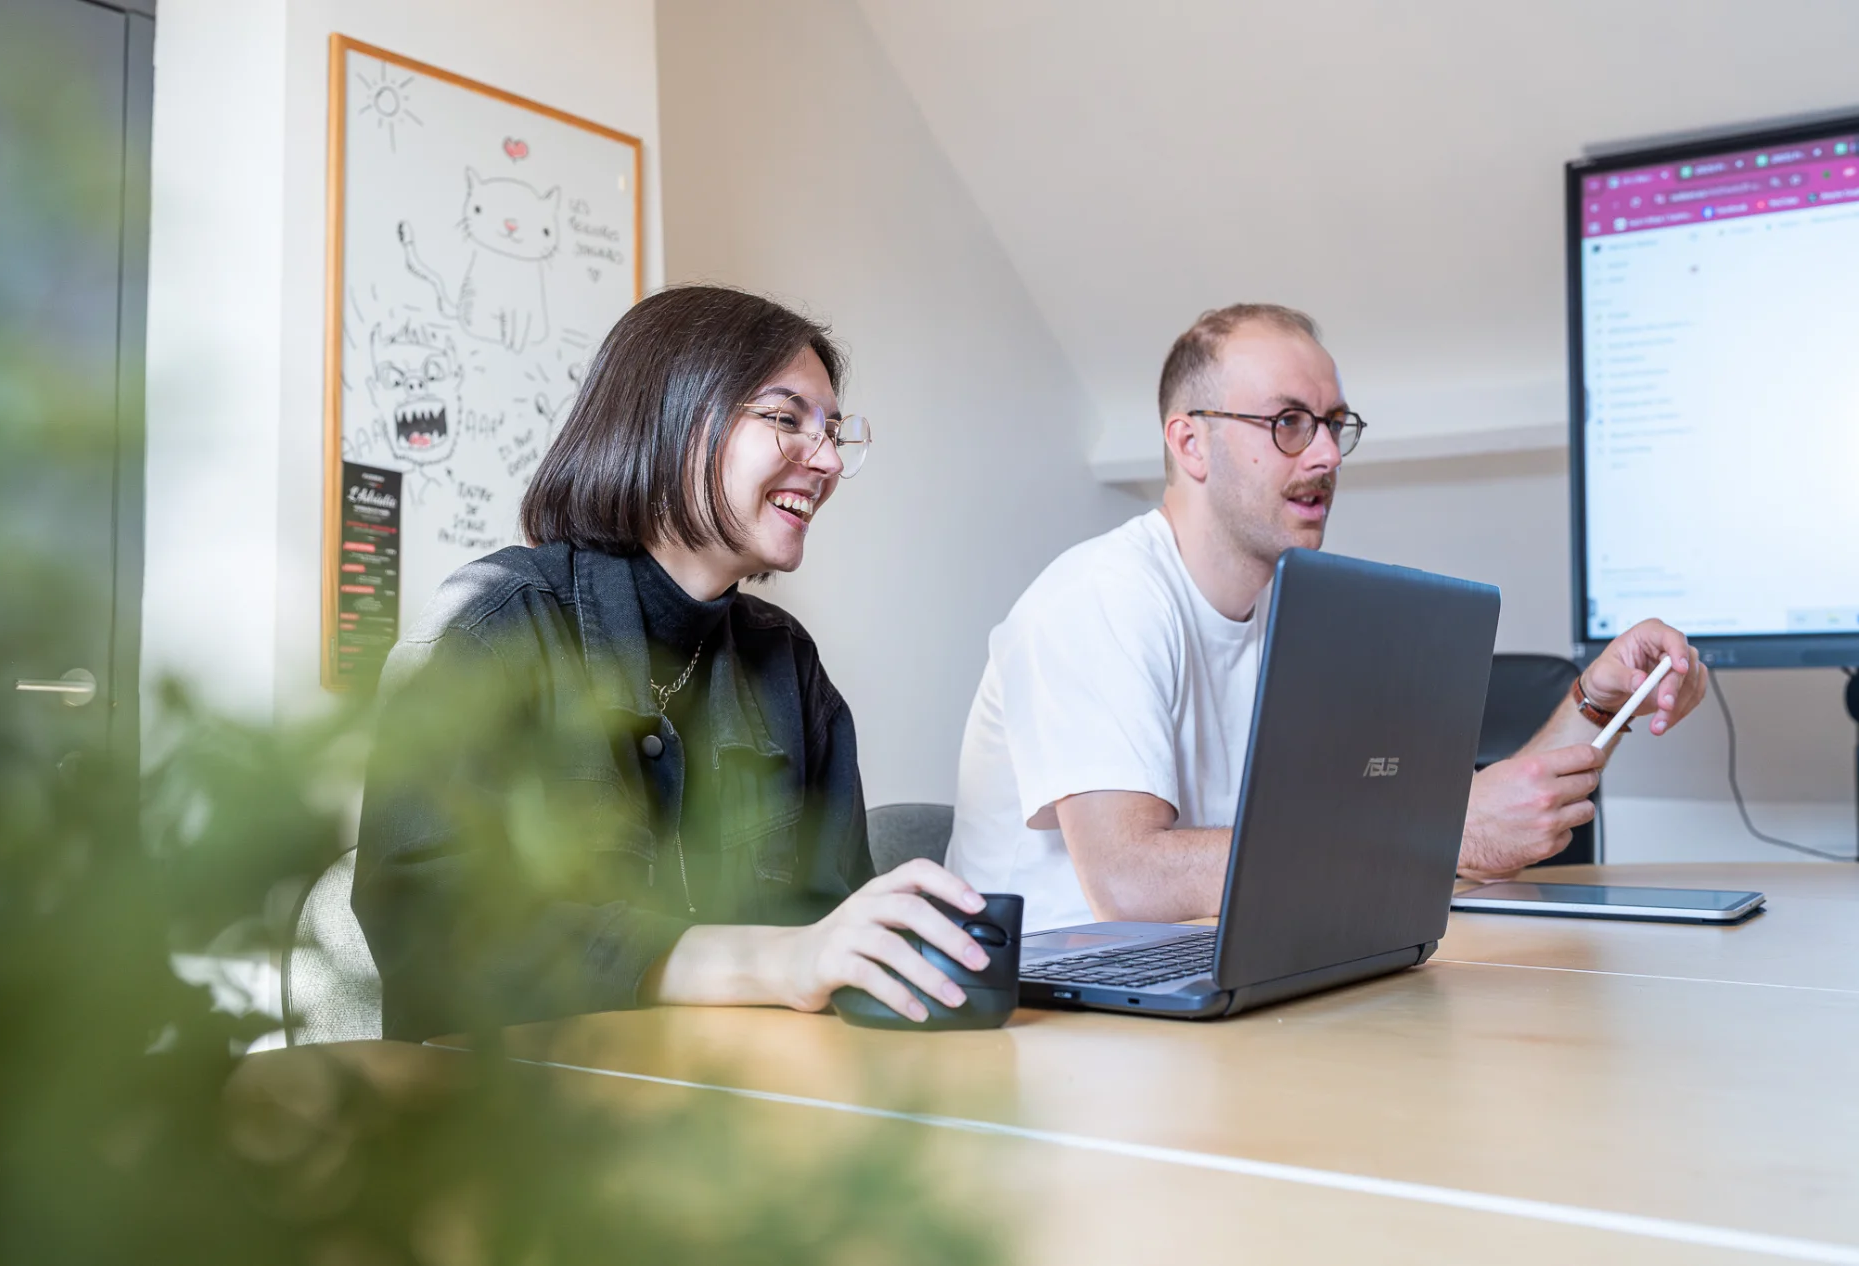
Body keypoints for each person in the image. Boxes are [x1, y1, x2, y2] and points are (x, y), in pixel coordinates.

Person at [944, 304, 1710, 932]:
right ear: (1190, 442)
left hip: (1216, 977)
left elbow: (1442, 827)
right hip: (1060, 1011)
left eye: (1333, 424)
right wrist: (1439, 836)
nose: (1326, 457)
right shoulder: (1100, 597)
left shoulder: (1299, 616)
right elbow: (1129, 881)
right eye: (1288, 423)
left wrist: (1597, 702)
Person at [355, 286, 988, 1039]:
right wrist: (767, 963)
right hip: (529, 1099)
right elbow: (434, 928)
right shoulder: (493, 624)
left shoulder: (788, 664)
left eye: (832, 433)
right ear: (672, 422)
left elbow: (831, 931)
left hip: (754, 1094)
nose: (825, 461)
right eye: (787, 420)